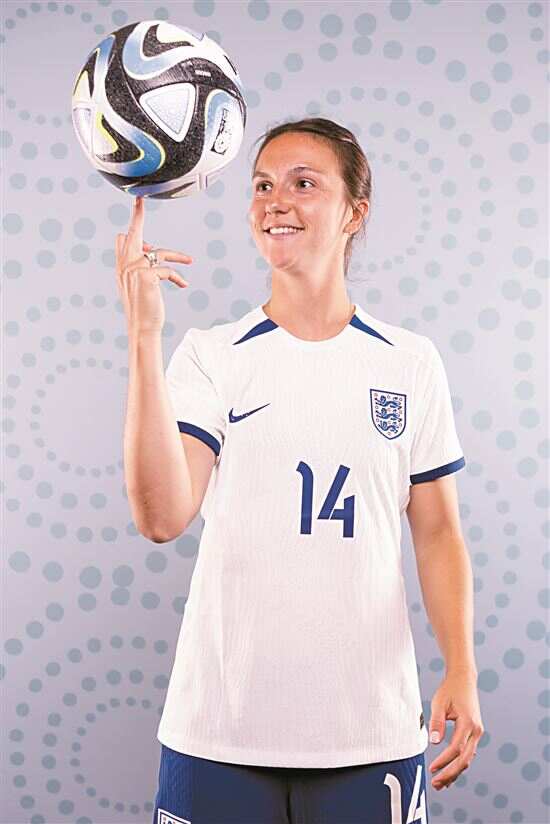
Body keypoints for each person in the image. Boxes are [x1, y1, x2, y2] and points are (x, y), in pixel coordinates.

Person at [118, 117, 483, 824]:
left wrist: (461, 670)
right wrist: (143, 336)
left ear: (355, 211)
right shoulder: (212, 356)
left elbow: (439, 533)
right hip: (217, 732)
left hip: (369, 735)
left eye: (303, 183)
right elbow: (161, 517)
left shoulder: (409, 363)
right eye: (261, 186)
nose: (275, 201)